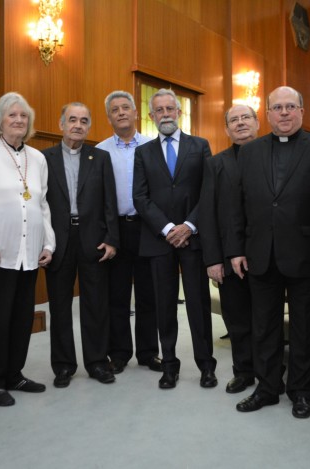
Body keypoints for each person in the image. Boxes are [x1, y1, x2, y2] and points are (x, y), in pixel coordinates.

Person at [228, 86, 310, 418]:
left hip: (307, 255)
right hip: (260, 253)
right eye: (277, 107)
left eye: (290, 106)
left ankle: (301, 390)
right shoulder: (249, 152)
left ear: (301, 111)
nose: (284, 112)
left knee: (305, 327)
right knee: (264, 327)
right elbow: (238, 205)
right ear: (268, 114)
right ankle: (267, 388)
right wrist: (236, 249)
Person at [0, 92, 55, 407]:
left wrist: (49, 243)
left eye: (23, 116)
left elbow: (42, 204)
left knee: (21, 317)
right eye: (12, 115)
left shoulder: (38, 157)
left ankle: (14, 374)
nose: (18, 120)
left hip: (29, 253)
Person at [133, 88, 217, 389]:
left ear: (179, 113)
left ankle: (206, 365)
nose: (165, 114)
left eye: (171, 109)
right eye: (160, 110)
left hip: (193, 238)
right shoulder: (143, 152)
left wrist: (189, 225)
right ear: (151, 115)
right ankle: (169, 365)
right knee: (164, 306)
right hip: (159, 240)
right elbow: (140, 197)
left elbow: (208, 191)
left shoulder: (200, 146)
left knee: (198, 304)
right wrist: (168, 228)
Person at [42, 102, 119, 387]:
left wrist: (112, 239)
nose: (78, 125)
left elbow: (110, 200)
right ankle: (63, 366)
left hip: (94, 240)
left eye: (84, 120)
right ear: (61, 124)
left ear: (89, 126)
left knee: (96, 304)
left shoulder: (100, 157)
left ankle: (98, 362)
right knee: (59, 305)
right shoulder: (44, 158)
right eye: (72, 120)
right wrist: (43, 242)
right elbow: (39, 204)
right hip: (58, 241)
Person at [96, 91, 161, 374]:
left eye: (126, 108)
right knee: (117, 294)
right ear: (109, 117)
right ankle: (119, 353)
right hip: (116, 230)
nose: (121, 112)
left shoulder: (152, 146)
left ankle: (148, 353)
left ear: (136, 113)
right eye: (115, 110)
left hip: (147, 228)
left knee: (149, 293)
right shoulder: (99, 151)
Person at [198, 104, 260, 394]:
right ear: (226, 129)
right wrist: (212, 259)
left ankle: (269, 371)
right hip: (227, 256)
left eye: (245, 117)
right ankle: (244, 371)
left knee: (266, 319)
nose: (240, 123)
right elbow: (207, 214)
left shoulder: (272, 156)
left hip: (267, 256)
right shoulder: (215, 164)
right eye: (233, 120)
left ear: (257, 123)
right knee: (237, 320)